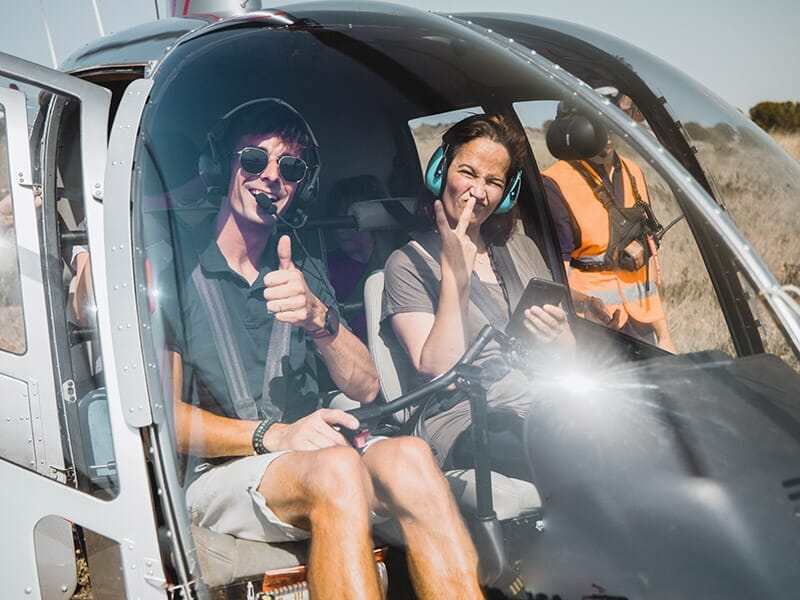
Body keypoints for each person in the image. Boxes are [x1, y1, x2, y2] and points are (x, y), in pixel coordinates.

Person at [166, 99, 483, 599]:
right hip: (216, 469)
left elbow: (365, 385)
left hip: (310, 449)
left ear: (299, 185)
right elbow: (165, 417)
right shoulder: (175, 266)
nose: (271, 176)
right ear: (223, 166)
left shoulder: (302, 264)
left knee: (414, 459)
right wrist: (273, 435)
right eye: (253, 159)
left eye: (288, 168)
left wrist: (319, 319)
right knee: (338, 471)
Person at [382, 114, 574, 482]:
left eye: (493, 182)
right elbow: (440, 371)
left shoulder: (521, 248)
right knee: (567, 451)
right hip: (464, 418)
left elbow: (569, 357)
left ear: (507, 194)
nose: (478, 192)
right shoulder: (407, 264)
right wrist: (456, 277)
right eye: (467, 172)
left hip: (538, 405)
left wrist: (559, 334)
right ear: (440, 171)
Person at [542, 88, 676, 352]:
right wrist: (584, 307)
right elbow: (556, 273)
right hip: (594, 327)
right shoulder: (555, 182)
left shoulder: (633, 172)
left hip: (642, 322)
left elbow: (642, 257)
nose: (608, 130)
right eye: (597, 118)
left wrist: (664, 336)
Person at [325, 174, 394, 343]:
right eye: (336, 218)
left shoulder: (400, 259)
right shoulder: (326, 268)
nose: (340, 229)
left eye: (349, 219)